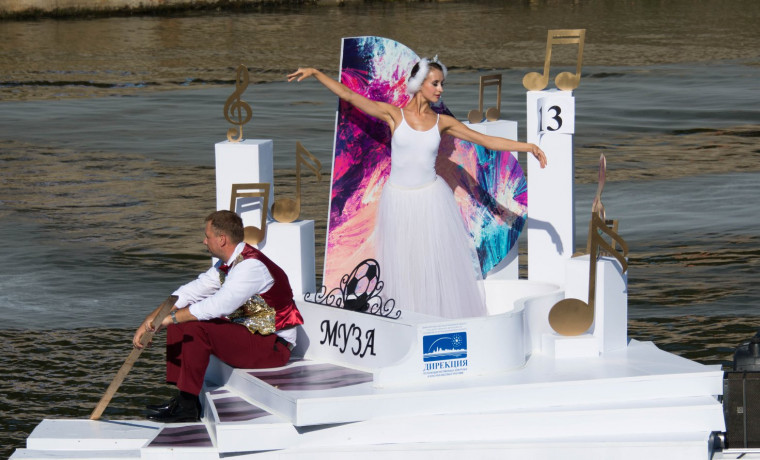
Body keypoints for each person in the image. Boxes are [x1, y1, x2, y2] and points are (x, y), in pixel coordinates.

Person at [287, 56, 547, 319]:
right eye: (435, 83)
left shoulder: (442, 122)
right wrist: (316, 73)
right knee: (403, 262)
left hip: (431, 199)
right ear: (419, 83)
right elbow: (350, 96)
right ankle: (408, 317)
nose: (440, 89)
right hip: (397, 199)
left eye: (442, 84)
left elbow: (485, 140)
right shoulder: (394, 114)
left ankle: (436, 317)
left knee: (431, 261)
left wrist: (528, 147)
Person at [134, 210, 304, 423]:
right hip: (252, 334)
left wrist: (171, 318)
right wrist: (151, 320)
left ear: (222, 239)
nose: (204, 241)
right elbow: (189, 292)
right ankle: (184, 399)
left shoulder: (251, 266)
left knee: (193, 326)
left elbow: (220, 305)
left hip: (274, 346)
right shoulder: (228, 264)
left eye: (207, 236)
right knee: (182, 321)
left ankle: (188, 407)